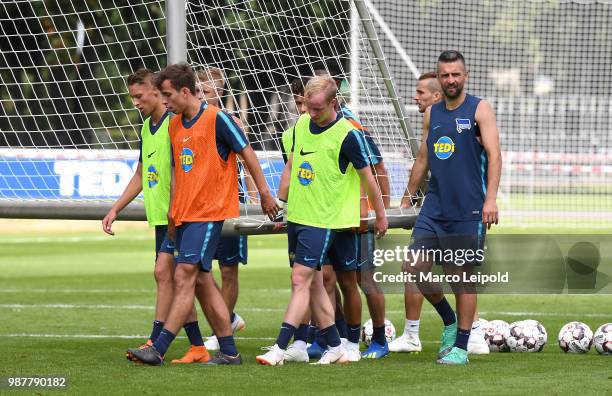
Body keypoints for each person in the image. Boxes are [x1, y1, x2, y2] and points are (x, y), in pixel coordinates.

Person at [127, 63, 278, 366]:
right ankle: (229, 351)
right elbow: (178, 173)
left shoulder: (218, 119)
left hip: (208, 213)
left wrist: (264, 193)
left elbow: (247, 153)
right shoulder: (174, 125)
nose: (164, 101)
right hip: (182, 215)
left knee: (184, 275)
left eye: (167, 95)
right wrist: (172, 211)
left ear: (185, 91)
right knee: (201, 282)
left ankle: (158, 347)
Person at [255, 76, 388, 366]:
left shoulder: (348, 134)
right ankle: (333, 344)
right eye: (306, 106)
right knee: (316, 283)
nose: (310, 113)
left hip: (330, 219)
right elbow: (292, 166)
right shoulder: (301, 125)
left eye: (316, 108)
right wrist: (281, 204)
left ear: (333, 103)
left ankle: (284, 347)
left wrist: (380, 214)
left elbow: (369, 177)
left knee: (328, 280)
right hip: (301, 217)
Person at [102, 68, 209, 364]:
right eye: (131, 97)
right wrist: (115, 208)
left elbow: (180, 172)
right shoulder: (147, 127)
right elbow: (140, 173)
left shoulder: (175, 125)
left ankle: (156, 340)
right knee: (179, 280)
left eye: (139, 96)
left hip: (179, 215)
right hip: (162, 217)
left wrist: (176, 207)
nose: (135, 102)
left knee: (166, 273)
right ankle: (199, 345)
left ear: (154, 91)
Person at [401, 51, 501, 365]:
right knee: (413, 268)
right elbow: (422, 159)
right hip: (434, 208)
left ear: (465, 76)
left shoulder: (479, 109)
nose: (450, 80)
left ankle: (460, 346)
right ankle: (449, 320)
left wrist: (491, 199)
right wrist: (406, 199)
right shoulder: (432, 114)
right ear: (439, 77)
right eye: (445, 75)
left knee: (460, 278)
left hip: (469, 209)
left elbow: (495, 156)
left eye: (456, 74)